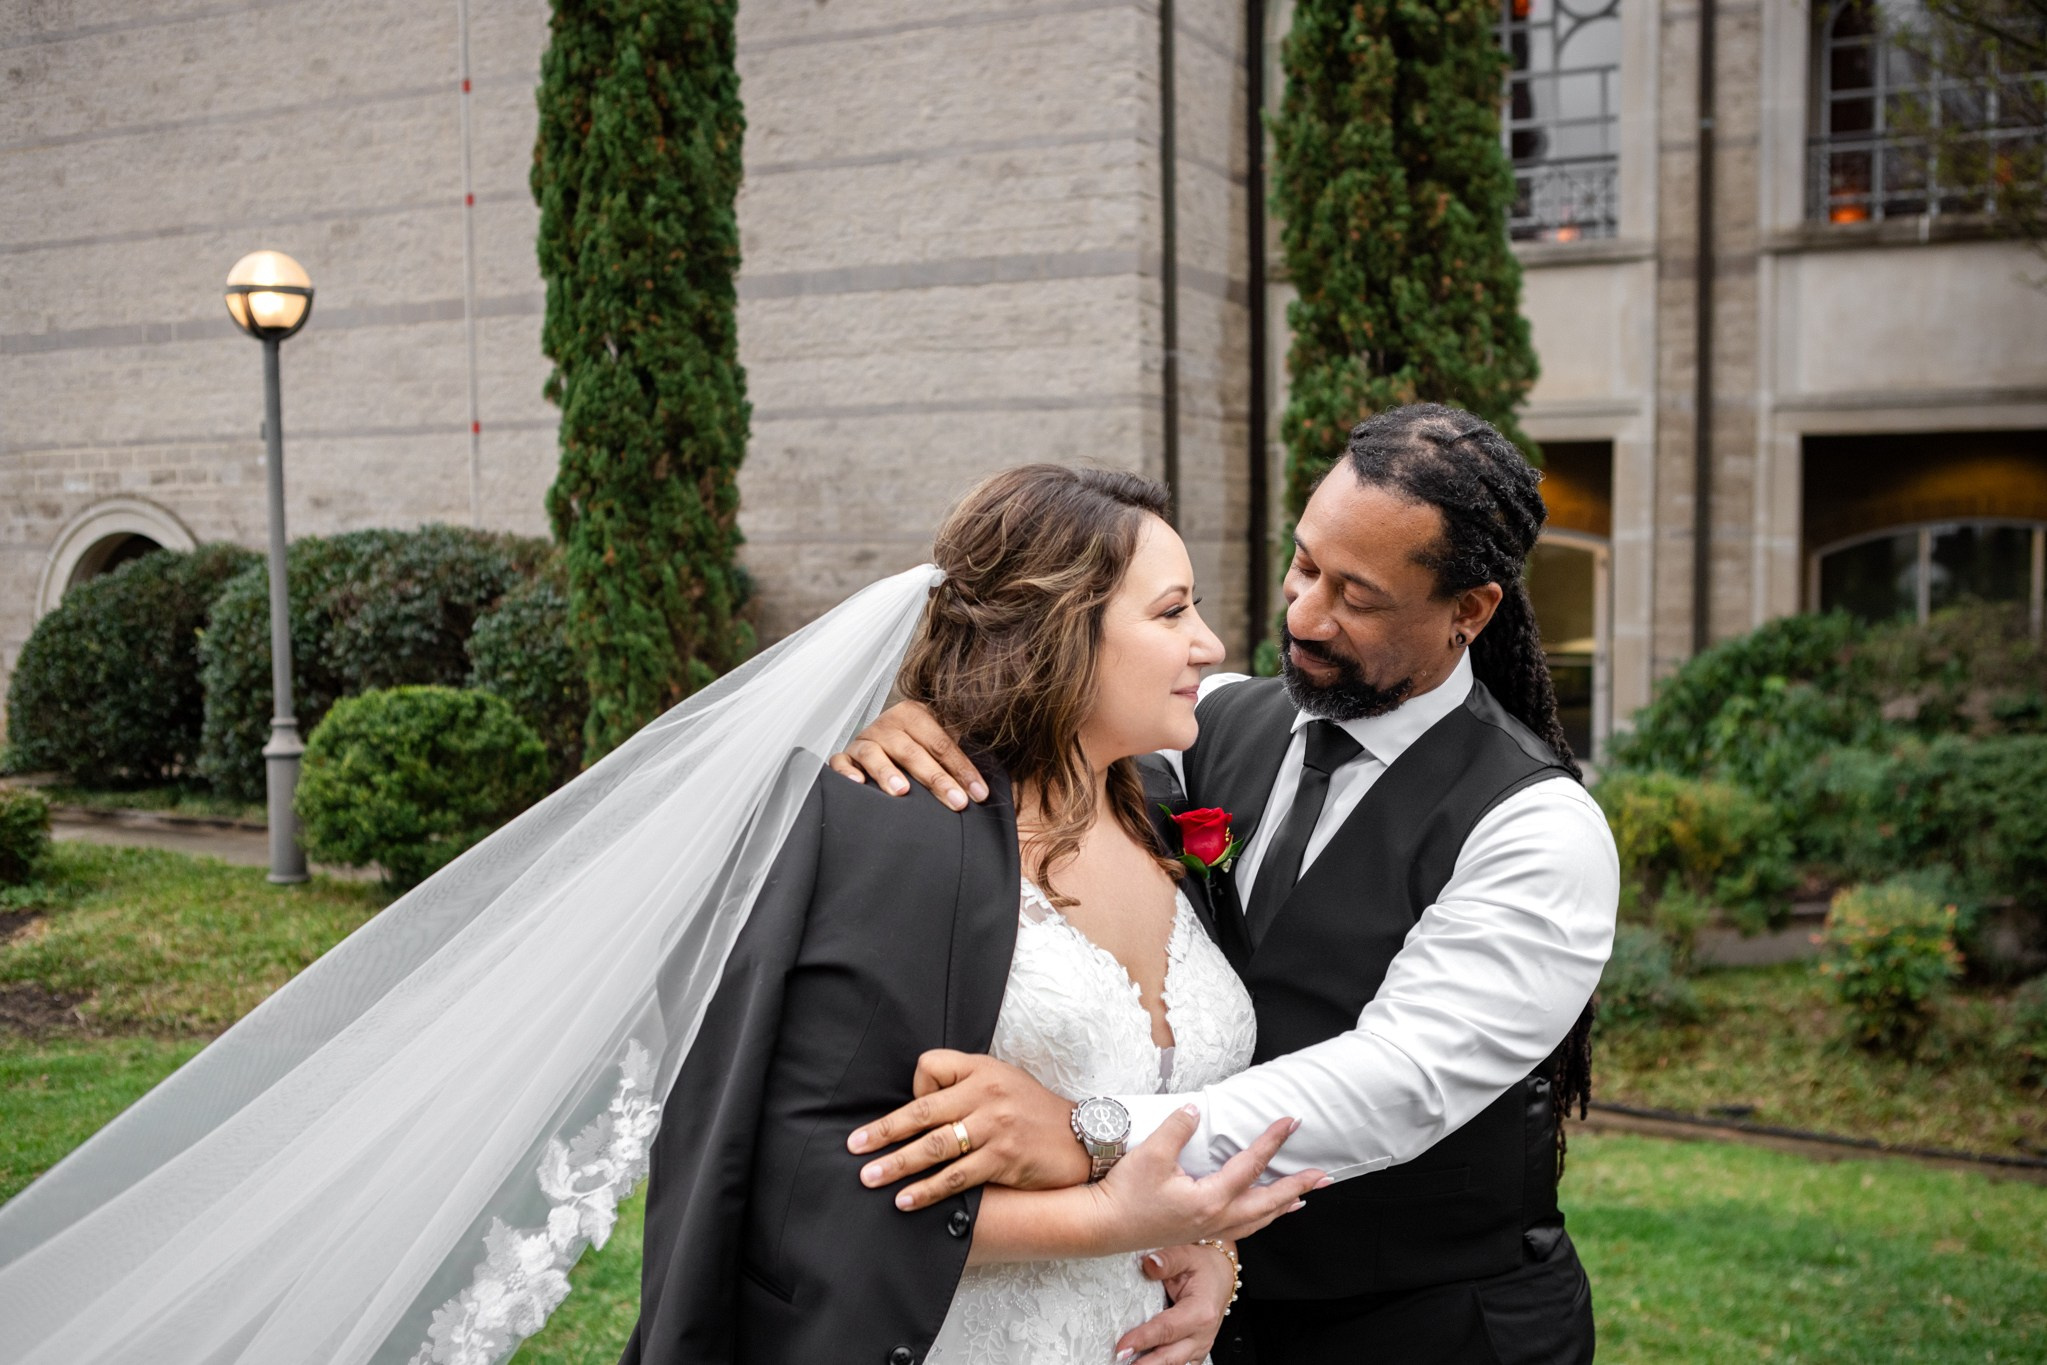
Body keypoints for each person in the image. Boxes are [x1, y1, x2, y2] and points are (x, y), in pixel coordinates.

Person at [0, 466, 1313, 1365]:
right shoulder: (893, 832)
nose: (1210, 643)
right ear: (1056, 635)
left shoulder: (1166, 817)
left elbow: (1174, 1106)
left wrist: (1208, 1260)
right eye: (1171, 611)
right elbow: (808, 1185)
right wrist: (1116, 1221)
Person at [833, 404, 1621, 1365]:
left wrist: (1093, 1133)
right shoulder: (1203, 723)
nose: (1304, 615)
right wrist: (923, 724)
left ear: (1469, 611)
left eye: (1357, 597)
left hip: (1431, 1325)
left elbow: (1399, 1079)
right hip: (1187, 1309)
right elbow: (1052, 712)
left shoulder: (1537, 827)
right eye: (1304, 564)